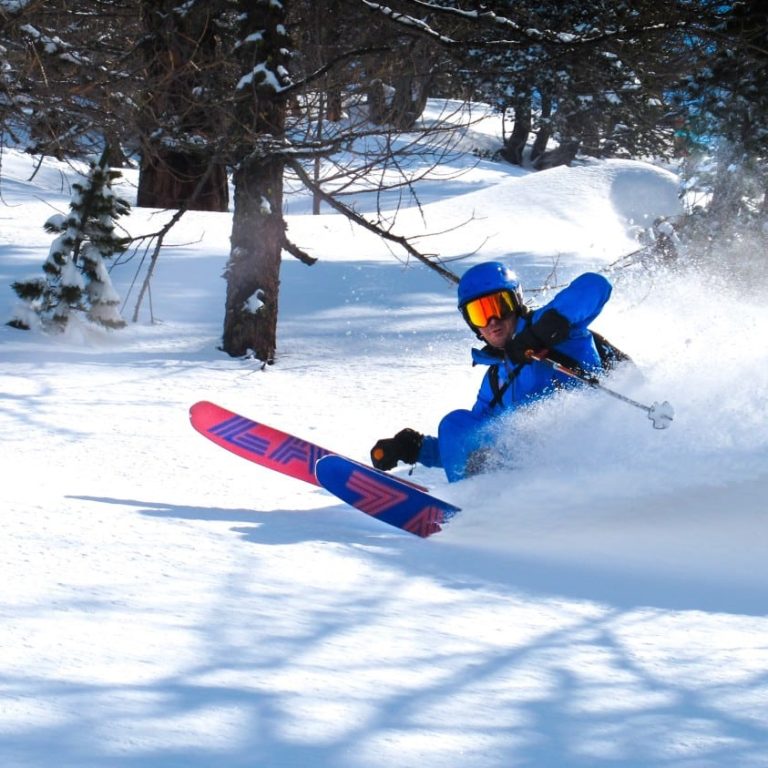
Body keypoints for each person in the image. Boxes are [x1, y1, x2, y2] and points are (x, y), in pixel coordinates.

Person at [370, 261, 615, 482]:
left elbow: (595, 286)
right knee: (456, 425)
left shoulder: (556, 329)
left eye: (500, 306)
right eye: (480, 314)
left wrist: (541, 333)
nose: (493, 321)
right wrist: (417, 449)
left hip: (593, 445)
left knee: (456, 424)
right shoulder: (497, 379)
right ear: (471, 323)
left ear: (516, 304)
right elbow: (470, 445)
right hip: (538, 467)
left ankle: (473, 506)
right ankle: (478, 503)